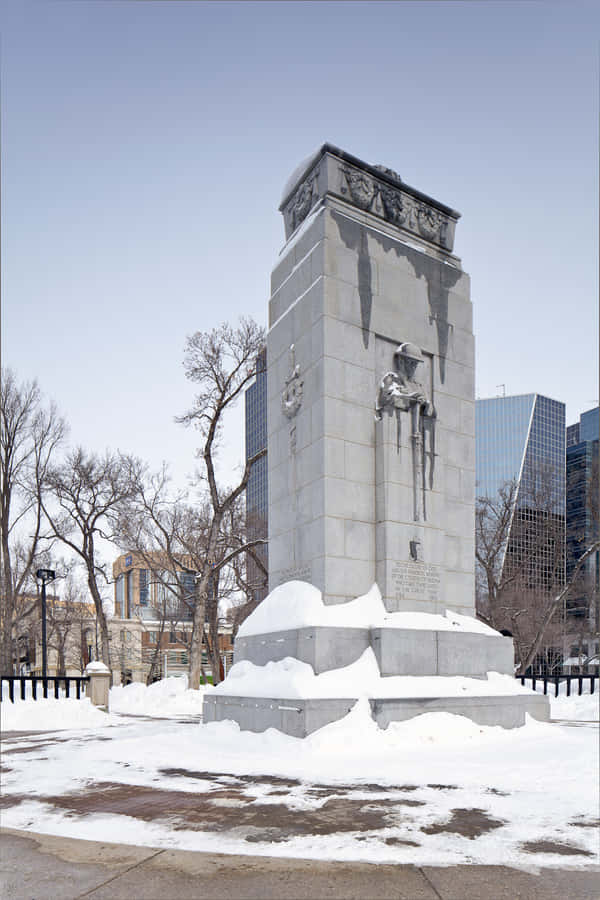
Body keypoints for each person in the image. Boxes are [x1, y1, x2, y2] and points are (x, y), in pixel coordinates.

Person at [375, 342, 434, 419]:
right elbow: (385, 400)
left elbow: (432, 412)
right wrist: (409, 399)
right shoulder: (391, 379)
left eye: (415, 364)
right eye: (411, 362)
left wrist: (425, 404)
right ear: (401, 361)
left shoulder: (419, 387)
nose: (413, 367)